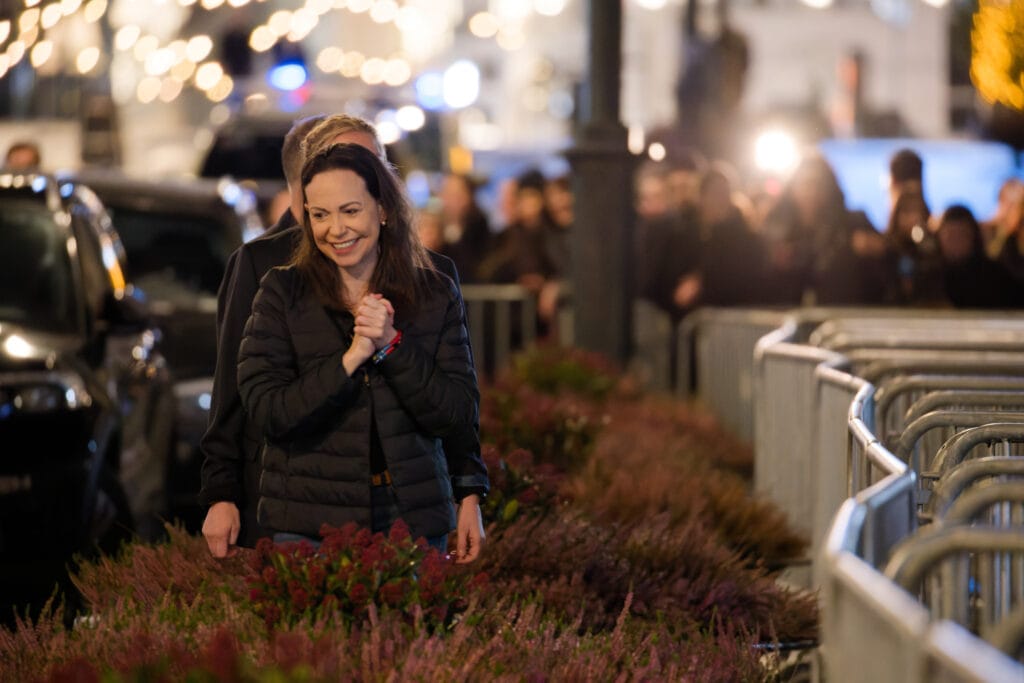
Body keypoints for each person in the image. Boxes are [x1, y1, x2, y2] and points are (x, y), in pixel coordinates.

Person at [199, 114, 487, 559]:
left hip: (410, 510)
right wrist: (222, 491)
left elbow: (458, 409)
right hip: (307, 512)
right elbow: (244, 398)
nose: (337, 227)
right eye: (323, 213)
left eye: (352, 207)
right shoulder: (276, 281)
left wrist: (469, 489)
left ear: (383, 200)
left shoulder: (432, 284)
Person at [935, 204, 1023, 309]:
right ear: (940, 238)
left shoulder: (995, 278)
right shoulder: (930, 278)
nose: (956, 241)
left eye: (962, 235)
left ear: (974, 237)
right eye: (950, 236)